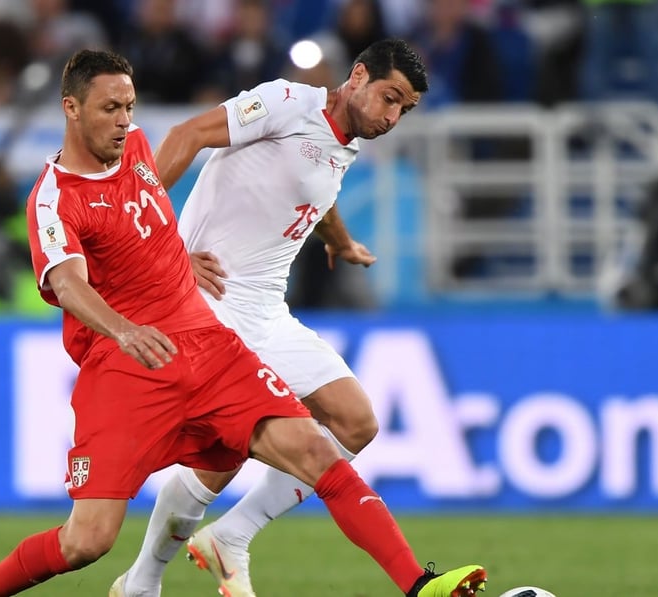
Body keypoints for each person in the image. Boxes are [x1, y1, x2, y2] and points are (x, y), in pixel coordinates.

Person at [0, 48, 486, 597]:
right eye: (111, 107)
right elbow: (69, 280)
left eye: (130, 106)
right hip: (153, 345)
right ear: (72, 109)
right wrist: (151, 290)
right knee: (88, 541)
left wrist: (339, 242)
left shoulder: (137, 149)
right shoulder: (55, 198)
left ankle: (419, 585)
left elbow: (303, 192)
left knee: (338, 435)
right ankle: (117, 582)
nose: (126, 120)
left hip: (226, 333)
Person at [110, 38, 459, 597]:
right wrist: (159, 245)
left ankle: (232, 536)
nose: (392, 117)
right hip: (213, 306)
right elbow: (187, 136)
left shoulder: (343, 143)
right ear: (359, 75)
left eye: (405, 109)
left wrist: (341, 241)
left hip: (268, 313)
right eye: (390, 98)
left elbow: (315, 191)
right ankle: (143, 582)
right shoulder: (286, 101)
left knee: (356, 422)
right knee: (220, 457)